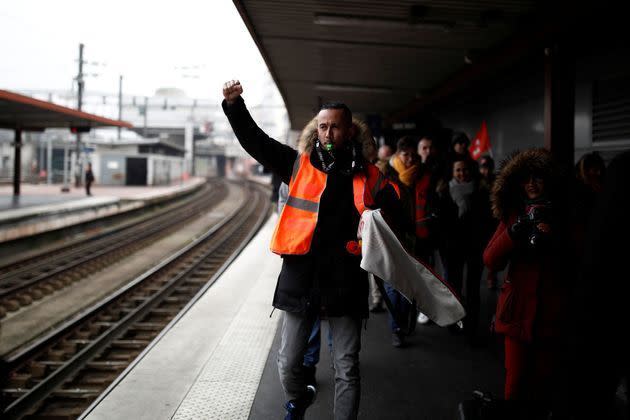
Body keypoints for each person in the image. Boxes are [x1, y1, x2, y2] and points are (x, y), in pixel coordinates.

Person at [222, 80, 400, 420]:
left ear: (349, 131)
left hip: (346, 281)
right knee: (288, 363)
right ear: (315, 130)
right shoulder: (297, 165)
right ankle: (298, 398)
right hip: (302, 278)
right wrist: (235, 106)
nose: (328, 132)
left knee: (346, 366)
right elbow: (256, 142)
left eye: (335, 126)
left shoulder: (369, 175)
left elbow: (397, 213)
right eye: (322, 126)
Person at [483, 148, 574, 405]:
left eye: (538, 178)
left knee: (544, 383)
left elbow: (576, 257)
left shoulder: (563, 216)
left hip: (551, 312)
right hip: (517, 312)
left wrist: (555, 238)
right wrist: (513, 232)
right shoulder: (514, 215)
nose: (532, 184)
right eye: (526, 179)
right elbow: (490, 259)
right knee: (515, 382)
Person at [568, 150, 629, 420]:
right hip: (601, 304)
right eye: (589, 168)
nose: (595, 173)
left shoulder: (607, 195)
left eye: (598, 168)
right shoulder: (581, 199)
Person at [439, 156, 492, 343]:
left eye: (465, 169)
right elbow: (441, 223)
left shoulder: (482, 191)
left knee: (473, 289)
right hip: (453, 248)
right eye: (458, 170)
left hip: (475, 247)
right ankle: (455, 321)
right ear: (452, 173)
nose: (462, 174)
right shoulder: (444, 192)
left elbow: (488, 220)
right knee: (454, 287)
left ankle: (472, 326)